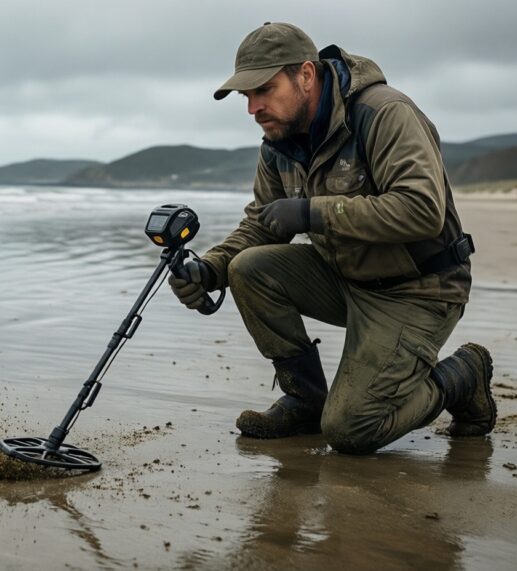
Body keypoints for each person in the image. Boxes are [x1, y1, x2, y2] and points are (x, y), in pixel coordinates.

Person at [168, 22, 495, 454]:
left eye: (263, 89)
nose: (253, 108)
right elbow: (263, 224)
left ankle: (464, 376)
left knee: (350, 430)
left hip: (418, 289)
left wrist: (311, 212)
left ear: (306, 75)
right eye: (246, 97)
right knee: (246, 267)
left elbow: (422, 210)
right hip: (346, 278)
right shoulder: (278, 142)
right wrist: (210, 267)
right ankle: (305, 401)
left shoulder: (384, 113)